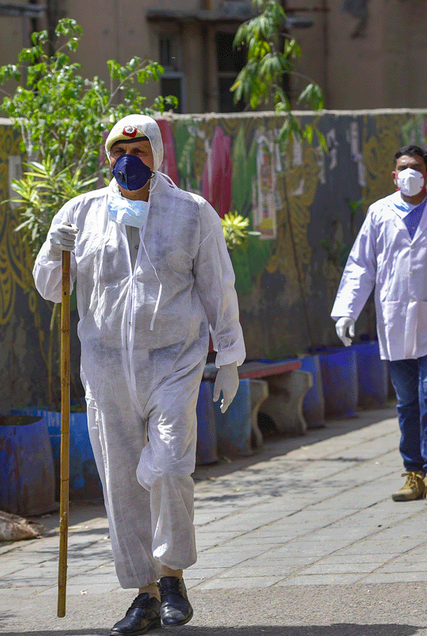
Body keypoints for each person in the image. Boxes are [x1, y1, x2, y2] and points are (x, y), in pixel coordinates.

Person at [33, 114, 245, 636]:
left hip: (174, 361)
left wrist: (231, 358)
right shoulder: (81, 213)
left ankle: (172, 576)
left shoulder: (192, 214)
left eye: (141, 149)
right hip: (105, 369)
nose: (130, 160)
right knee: (122, 482)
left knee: (171, 465)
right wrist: (57, 246)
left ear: (157, 153)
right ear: (107, 157)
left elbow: (219, 289)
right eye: (119, 150)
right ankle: (144, 595)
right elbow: (49, 287)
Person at [331, 145, 427, 504]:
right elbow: (361, 265)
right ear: (394, 176)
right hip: (394, 322)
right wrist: (347, 311)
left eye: (416, 167)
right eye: (403, 168)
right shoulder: (379, 213)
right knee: (406, 402)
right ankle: (413, 475)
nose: (409, 173)